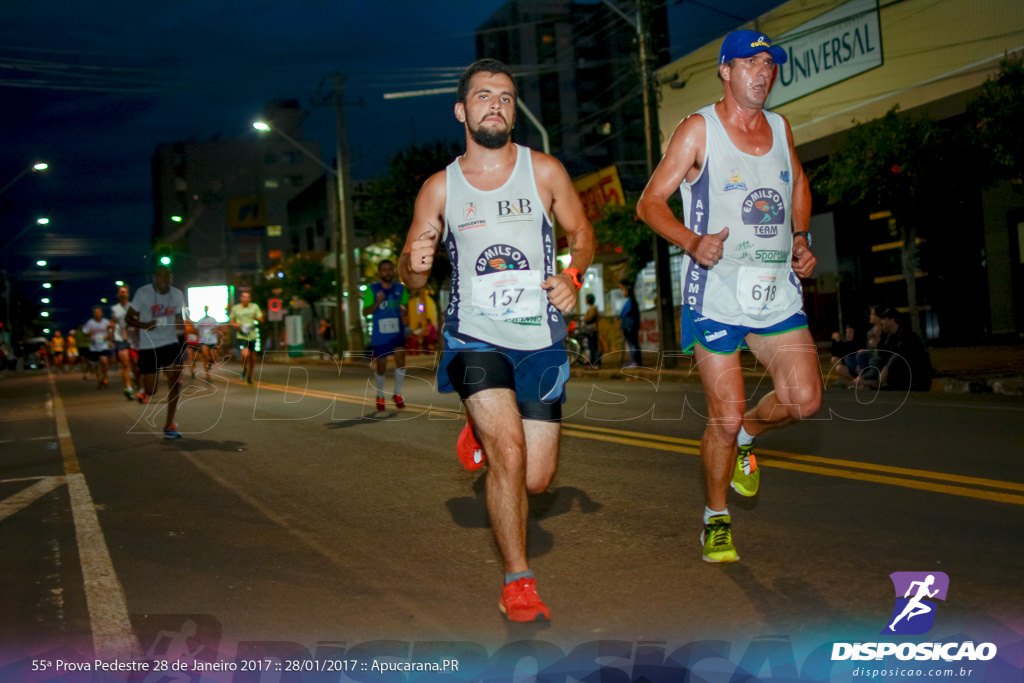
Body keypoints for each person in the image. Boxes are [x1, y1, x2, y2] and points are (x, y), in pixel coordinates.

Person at [398, 59, 595, 622]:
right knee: (508, 455)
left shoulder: (545, 172)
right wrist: (414, 266)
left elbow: (582, 233)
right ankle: (519, 580)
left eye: (506, 97)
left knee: (536, 477)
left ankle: (481, 425)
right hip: (472, 337)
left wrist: (574, 274)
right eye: (483, 96)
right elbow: (412, 271)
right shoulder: (440, 187)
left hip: (540, 339)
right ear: (462, 110)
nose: (496, 106)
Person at [636, 30, 821, 563]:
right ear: (725, 70)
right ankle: (716, 519)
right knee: (724, 412)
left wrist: (801, 238)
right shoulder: (699, 130)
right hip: (715, 296)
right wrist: (692, 241)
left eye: (770, 63)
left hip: (775, 295)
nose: (763, 72)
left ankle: (747, 437)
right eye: (750, 63)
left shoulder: (782, 128)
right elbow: (650, 204)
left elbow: (799, 183)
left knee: (805, 401)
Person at [126, 264, 187, 439]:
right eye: (159, 277)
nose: (163, 280)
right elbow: (128, 318)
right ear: (154, 278)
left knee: (175, 381)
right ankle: (144, 389)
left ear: (171, 278)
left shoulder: (177, 294)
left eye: (166, 277)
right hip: (148, 345)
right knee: (152, 390)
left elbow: (178, 319)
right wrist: (145, 325)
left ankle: (169, 425)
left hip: (170, 343)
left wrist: (183, 337)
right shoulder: (142, 293)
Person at [362, 259, 409, 411]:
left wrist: (403, 309)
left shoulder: (400, 289)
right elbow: (365, 312)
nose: (388, 272)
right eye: (384, 270)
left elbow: (405, 306)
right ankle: (380, 395)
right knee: (382, 366)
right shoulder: (372, 289)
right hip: (380, 334)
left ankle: (397, 393)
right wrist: (377, 302)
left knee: (401, 360)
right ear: (379, 272)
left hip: (396, 331)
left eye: (390, 269)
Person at [874, 309, 932, 391]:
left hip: (913, 374)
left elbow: (902, 354)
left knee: (896, 357)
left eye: (884, 319)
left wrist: (886, 368)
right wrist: (879, 339)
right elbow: (884, 355)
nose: (882, 322)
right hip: (900, 374)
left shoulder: (907, 335)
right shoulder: (890, 337)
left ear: (891, 320)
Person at [229, 291, 262, 385]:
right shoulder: (236, 308)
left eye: (247, 297)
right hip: (242, 335)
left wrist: (256, 318)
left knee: (252, 358)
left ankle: (250, 376)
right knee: (245, 354)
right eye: (244, 297)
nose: (245, 299)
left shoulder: (254, 307)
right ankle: (244, 368)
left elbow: (261, 318)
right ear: (241, 298)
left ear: (250, 299)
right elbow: (231, 319)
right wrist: (235, 324)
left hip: (252, 335)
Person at [110, 285, 136, 399]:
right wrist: (110, 335)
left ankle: (134, 377)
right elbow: (113, 322)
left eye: (125, 292)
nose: (124, 294)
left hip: (133, 338)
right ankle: (128, 386)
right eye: (121, 292)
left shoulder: (132, 307)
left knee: (135, 361)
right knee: (125, 362)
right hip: (120, 339)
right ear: (118, 295)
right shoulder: (115, 308)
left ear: (128, 294)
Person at [81, 306, 112, 389]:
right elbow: (84, 332)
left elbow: (110, 332)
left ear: (101, 313)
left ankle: (104, 377)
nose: (97, 314)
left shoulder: (106, 322)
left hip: (104, 345)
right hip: (94, 347)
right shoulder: (90, 323)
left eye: (98, 312)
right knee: (96, 365)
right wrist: (88, 333)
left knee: (105, 362)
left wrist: (109, 336)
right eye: (95, 312)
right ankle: (99, 380)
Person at [618, 280, 642, 368]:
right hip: (632, 326)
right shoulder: (633, 302)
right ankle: (636, 361)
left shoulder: (629, 302)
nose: (623, 292)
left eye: (624, 290)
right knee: (634, 343)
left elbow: (621, 314)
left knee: (632, 344)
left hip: (629, 326)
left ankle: (635, 362)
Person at [195, 306, 220, 382]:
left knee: (214, 358)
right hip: (203, 341)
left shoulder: (213, 320)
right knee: (205, 356)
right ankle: (207, 375)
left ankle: (210, 363)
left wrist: (215, 330)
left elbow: (219, 328)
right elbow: (194, 327)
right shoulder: (200, 321)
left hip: (212, 341)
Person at [581, 293, 601, 369]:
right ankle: (592, 362)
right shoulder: (591, 308)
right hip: (590, 330)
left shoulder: (593, 309)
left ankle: (596, 363)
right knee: (591, 346)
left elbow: (588, 318)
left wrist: (585, 319)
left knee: (594, 347)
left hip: (592, 330)